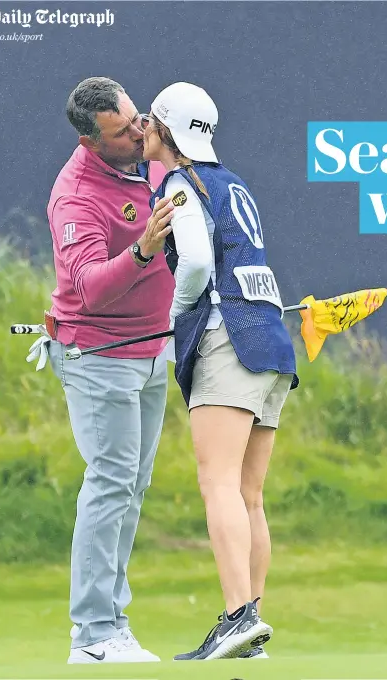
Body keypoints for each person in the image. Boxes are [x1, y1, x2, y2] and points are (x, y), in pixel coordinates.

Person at [142, 82, 299, 661]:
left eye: (150, 123)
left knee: (218, 484)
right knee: (249, 494)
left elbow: (200, 264)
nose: (143, 132)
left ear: (166, 132)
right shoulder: (233, 184)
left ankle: (238, 616)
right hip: (271, 346)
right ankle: (250, 629)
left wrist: (175, 312)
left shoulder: (182, 185)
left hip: (225, 341)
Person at [44, 76, 176, 664]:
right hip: (98, 357)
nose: (139, 132)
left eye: (137, 117)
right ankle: (93, 635)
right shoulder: (75, 195)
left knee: (133, 486)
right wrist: (144, 248)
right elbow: (89, 287)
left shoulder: (149, 159)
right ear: (91, 140)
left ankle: (111, 621)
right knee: (111, 482)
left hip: (154, 349)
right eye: (123, 131)